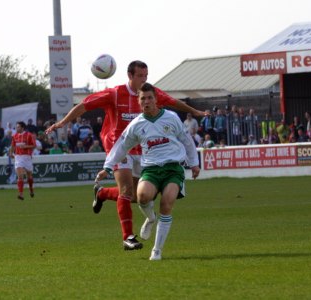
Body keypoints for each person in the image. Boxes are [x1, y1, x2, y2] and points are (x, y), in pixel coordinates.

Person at [45, 60, 205, 250]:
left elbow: (172, 101)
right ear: (130, 76)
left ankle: (102, 193)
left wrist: (194, 111)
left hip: (142, 150)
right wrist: (63, 122)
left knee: (139, 197)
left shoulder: (149, 93)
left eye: (146, 75)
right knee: (127, 190)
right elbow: (85, 105)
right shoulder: (114, 94)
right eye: (140, 76)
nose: (144, 79)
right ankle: (128, 237)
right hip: (118, 146)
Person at [95, 83, 200, 260]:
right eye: (143, 98)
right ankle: (151, 219)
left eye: (150, 97)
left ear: (156, 99)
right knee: (142, 197)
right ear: (138, 101)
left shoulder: (171, 117)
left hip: (173, 168)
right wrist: (107, 167)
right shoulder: (136, 124)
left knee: (166, 203)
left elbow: (187, 140)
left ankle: (156, 250)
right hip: (151, 169)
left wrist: (194, 163)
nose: (146, 101)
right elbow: (121, 146)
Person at [9, 121, 36, 200]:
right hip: (18, 157)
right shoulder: (15, 136)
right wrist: (10, 153)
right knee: (20, 176)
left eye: (18, 127)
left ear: (22, 128)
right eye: (16, 127)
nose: (16, 128)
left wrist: (25, 147)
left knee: (29, 176)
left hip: (27, 157)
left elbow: (34, 146)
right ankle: (21, 194)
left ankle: (31, 189)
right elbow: (13, 145)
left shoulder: (29, 135)